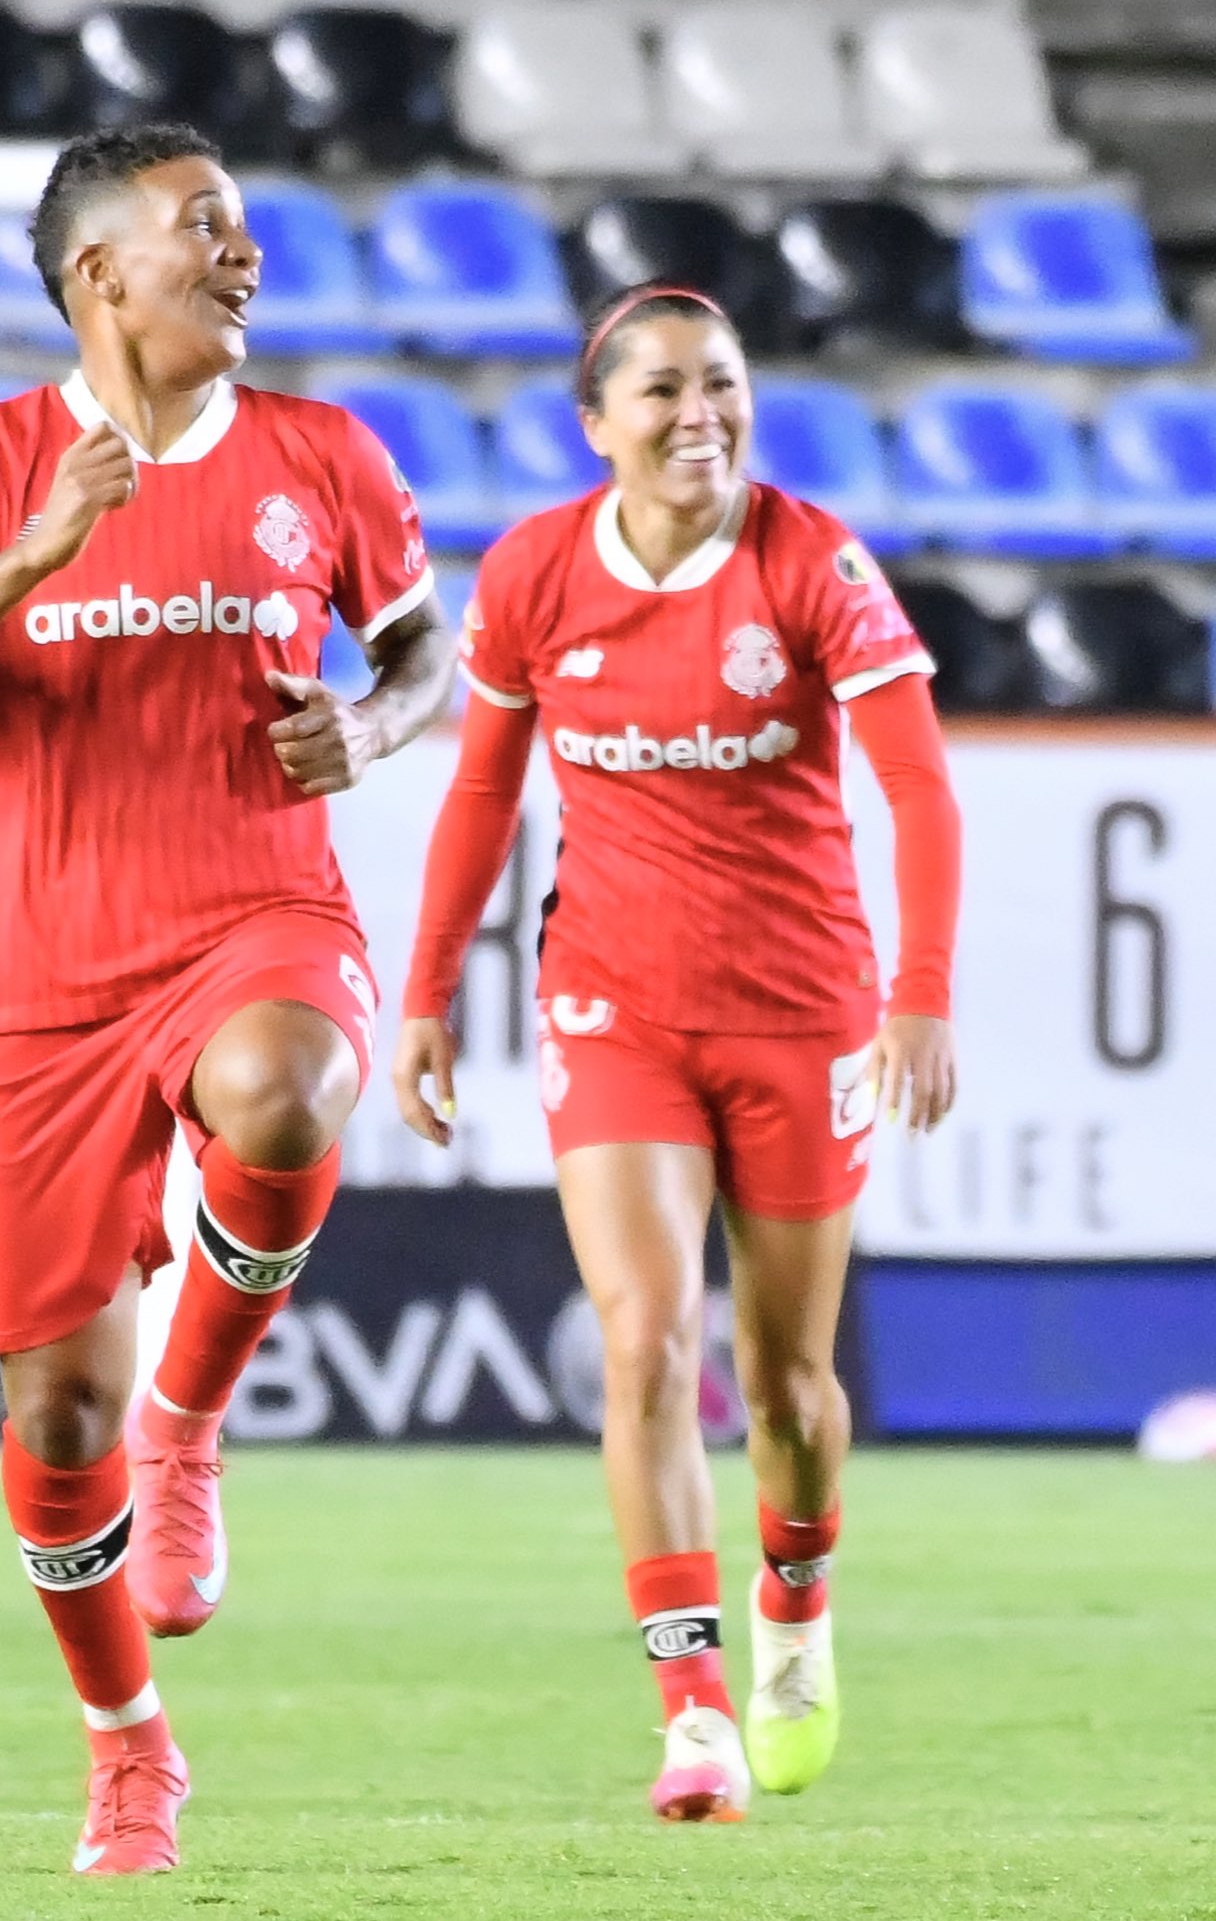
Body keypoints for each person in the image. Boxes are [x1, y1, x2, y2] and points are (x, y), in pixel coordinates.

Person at [0, 123, 455, 1874]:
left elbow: (425, 651)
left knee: (282, 1089)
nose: (242, 256)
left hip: (252, 904)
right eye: (206, 231)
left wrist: (378, 723)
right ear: (101, 272)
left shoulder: (321, 455)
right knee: (50, 1418)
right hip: (32, 979)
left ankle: (196, 1415)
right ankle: (126, 1749)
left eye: (244, 231)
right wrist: (30, 556)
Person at [393, 284, 962, 1823]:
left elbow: (914, 784)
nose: (699, 413)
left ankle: (794, 1604)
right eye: (662, 391)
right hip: (614, 1007)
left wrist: (920, 992)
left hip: (802, 1011)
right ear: (598, 426)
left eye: (723, 383)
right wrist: (428, 988)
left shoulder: (813, 561)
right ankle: (693, 1707)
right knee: (646, 1340)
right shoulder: (528, 574)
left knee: (786, 1387)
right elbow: (480, 800)